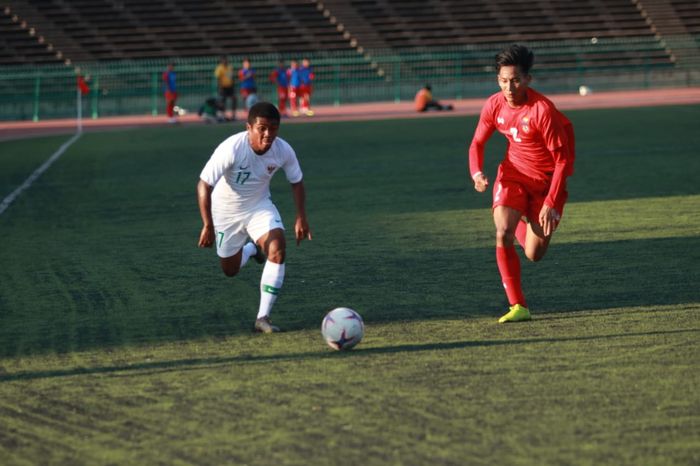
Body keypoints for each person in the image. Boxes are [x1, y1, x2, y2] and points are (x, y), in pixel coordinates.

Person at [467, 44, 575, 323]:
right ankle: (518, 306)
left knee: (534, 254)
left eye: (515, 80)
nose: (509, 86)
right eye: (503, 80)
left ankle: (525, 216)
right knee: (502, 230)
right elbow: (477, 143)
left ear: (527, 79)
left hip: (546, 182)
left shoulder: (542, 110)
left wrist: (551, 201)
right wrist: (477, 173)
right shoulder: (493, 104)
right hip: (512, 174)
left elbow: (562, 160)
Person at [197, 102, 312, 333]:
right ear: (248, 127)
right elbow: (204, 184)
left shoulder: (283, 150)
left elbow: (296, 181)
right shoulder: (232, 148)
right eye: (262, 128)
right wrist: (207, 224)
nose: (268, 134)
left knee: (278, 248)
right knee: (230, 270)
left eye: (274, 128)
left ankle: (263, 318)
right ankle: (250, 250)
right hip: (225, 212)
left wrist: (301, 216)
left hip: (259, 206)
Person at [214, 56, 236, 120]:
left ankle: (233, 115)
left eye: (226, 60)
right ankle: (223, 115)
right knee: (223, 101)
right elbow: (218, 78)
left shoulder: (230, 67)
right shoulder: (219, 68)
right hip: (223, 87)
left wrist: (233, 84)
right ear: (221, 61)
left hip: (230, 87)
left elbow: (232, 77)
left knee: (234, 99)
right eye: (224, 60)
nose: (225, 61)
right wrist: (220, 87)